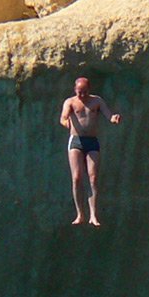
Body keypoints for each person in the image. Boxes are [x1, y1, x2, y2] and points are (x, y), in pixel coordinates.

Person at [59, 76, 123, 227]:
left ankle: (93, 215)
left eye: (85, 92)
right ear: (75, 90)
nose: (82, 95)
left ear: (89, 89)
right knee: (76, 177)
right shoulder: (70, 102)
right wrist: (65, 123)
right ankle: (80, 214)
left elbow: (109, 115)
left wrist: (114, 118)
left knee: (93, 177)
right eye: (79, 92)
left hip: (92, 141)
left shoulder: (97, 101)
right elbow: (62, 117)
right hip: (76, 141)